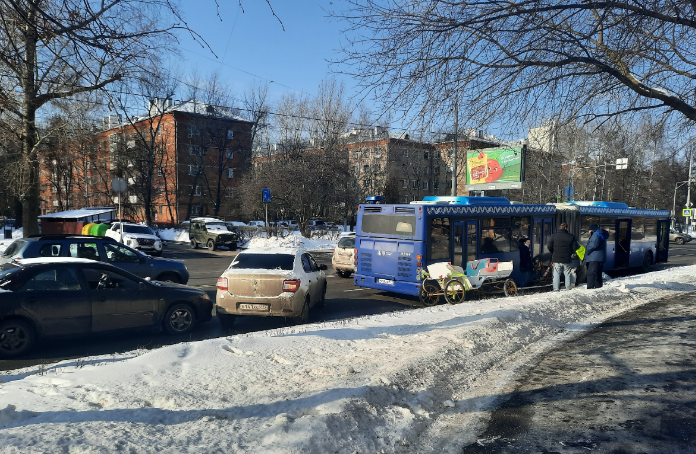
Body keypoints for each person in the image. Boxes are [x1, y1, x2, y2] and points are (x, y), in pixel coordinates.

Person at [547, 223, 580, 291]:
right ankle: (567, 287)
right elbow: (575, 247)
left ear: (560, 228)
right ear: (566, 228)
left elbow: (549, 246)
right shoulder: (571, 236)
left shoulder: (554, 236)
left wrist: (553, 252)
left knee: (556, 274)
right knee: (567, 273)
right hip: (566, 258)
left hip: (556, 258)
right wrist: (570, 253)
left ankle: (556, 288)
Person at [585, 223, 609, 289]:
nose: (589, 232)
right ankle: (598, 286)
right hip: (600, 257)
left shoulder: (595, 235)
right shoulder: (601, 234)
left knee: (591, 273)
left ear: (592, 230)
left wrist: (586, 252)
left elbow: (592, 246)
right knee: (598, 272)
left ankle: (590, 287)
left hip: (594, 257)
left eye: (589, 230)